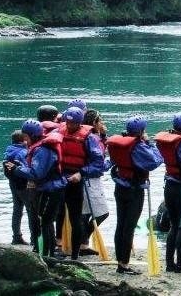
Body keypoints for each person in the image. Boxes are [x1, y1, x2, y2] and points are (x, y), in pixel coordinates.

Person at [107, 116, 164, 274]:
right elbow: (155, 161)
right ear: (141, 132)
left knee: (121, 225)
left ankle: (120, 261)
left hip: (120, 188)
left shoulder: (120, 144)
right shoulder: (139, 146)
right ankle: (124, 264)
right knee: (129, 227)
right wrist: (149, 143)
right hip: (134, 191)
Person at [6, 119, 68, 257]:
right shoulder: (40, 147)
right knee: (45, 222)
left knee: (45, 222)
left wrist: (16, 169)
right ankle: (49, 252)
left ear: (33, 136)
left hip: (51, 190)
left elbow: (37, 173)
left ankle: (46, 254)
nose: (25, 141)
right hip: (50, 188)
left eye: (26, 137)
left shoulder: (42, 150)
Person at [54, 106, 105, 261]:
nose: (70, 126)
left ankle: (75, 255)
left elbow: (98, 162)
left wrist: (81, 173)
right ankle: (57, 247)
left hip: (76, 180)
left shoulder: (88, 138)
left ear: (80, 123)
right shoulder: (58, 132)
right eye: (68, 123)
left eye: (73, 124)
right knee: (58, 214)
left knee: (75, 217)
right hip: (59, 179)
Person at [155, 114, 181, 273]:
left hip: (169, 185)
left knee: (174, 225)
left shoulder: (168, 141)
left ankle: (169, 264)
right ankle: (180, 264)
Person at [79, 109, 109, 257]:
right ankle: (82, 240)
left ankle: (83, 244)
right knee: (103, 213)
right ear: (94, 123)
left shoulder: (88, 136)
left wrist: (103, 135)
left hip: (85, 179)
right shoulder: (90, 138)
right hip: (90, 180)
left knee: (84, 214)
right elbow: (99, 162)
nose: (102, 123)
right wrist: (111, 162)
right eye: (100, 121)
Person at [4, 130, 30, 245]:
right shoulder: (23, 152)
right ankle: (34, 238)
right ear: (24, 140)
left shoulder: (9, 151)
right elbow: (26, 169)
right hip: (24, 185)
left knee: (17, 209)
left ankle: (16, 236)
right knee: (31, 210)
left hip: (13, 183)